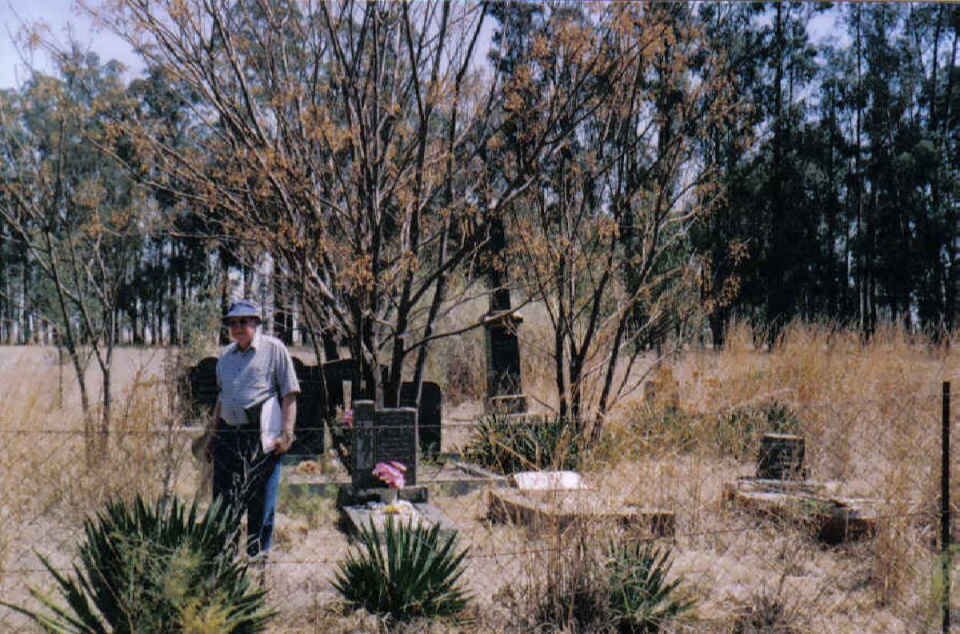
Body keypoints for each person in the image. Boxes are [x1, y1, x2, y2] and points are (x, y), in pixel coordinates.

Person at [204, 299, 300, 558]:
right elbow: (221, 398)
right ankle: (226, 561)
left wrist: (286, 434)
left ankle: (258, 562)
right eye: (232, 323)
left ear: (256, 323)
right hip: (227, 434)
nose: (237, 327)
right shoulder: (224, 356)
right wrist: (212, 437)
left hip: (260, 435)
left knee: (260, 503)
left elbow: (289, 393)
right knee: (224, 501)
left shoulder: (274, 349)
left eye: (243, 321)